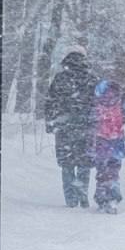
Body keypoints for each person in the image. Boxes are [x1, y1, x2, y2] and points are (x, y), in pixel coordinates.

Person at [44, 45, 97, 208]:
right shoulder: (92, 78)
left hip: (64, 127)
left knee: (67, 163)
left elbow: (50, 102)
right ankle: (82, 196)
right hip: (85, 126)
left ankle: (70, 200)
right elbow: (98, 104)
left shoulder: (60, 78)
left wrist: (50, 123)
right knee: (84, 163)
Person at [89, 79, 125, 214]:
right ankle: (113, 197)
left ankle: (102, 199)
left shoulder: (97, 101)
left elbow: (90, 119)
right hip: (117, 140)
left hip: (101, 140)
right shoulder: (121, 100)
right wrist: (118, 123)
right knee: (114, 170)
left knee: (102, 171)